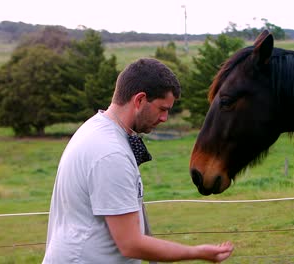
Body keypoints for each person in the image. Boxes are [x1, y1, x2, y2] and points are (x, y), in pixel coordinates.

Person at [43, 58, 234, 263]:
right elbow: (131, 243)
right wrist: (198, 252)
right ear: (140, 100)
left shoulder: (96, 129)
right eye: (162, 109)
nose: (165, 118)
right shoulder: (111, 153)